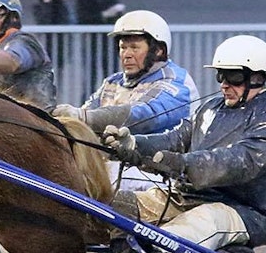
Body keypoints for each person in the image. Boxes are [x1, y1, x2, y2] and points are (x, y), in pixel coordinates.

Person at [101, 34, 266, 253]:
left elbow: (237, 163)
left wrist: (179, 164)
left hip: (238, 211)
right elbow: (174, 140)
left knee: (168, 239)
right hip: (187, 197)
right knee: (118, 206)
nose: (224, 84)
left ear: (258, 77)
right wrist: (132, 144)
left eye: (234, 77)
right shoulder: (210, 109)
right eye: (221, 76)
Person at [53, 10, 197, 190]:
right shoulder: (113, 81)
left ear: (158, 50)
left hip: (161, 174)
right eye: (123, 47)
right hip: (117, 166)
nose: (126, 55)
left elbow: (144, 115)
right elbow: (87, 116)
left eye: (135, 47)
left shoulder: (176, 81)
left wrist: (80, 116)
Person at [75, 0, 125, 86]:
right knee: (91, 75)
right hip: (92, 41)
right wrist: (105, 14)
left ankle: (111, 100)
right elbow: (82, 18)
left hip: (110, 41)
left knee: (111, 74)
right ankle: (88, 101)